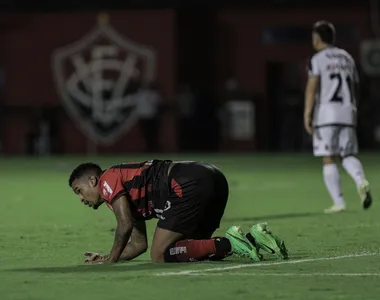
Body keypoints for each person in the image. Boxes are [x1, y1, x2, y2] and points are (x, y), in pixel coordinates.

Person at [68, 159, 288, 263]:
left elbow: (124, 226)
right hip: (212, 176)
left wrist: (110, 262)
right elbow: (138, 244)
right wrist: (107, 256)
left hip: (186, 182)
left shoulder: (108, 181)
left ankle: (230, 242)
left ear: (93, 180)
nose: (80, 199)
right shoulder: (123, 193)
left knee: (160, 255)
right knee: (191, 252)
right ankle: (253, 238)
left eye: (79, 190)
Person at [304, 20, 373, 213]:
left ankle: (339, 202)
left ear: (317, 39)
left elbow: (312, 87)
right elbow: (356, 88)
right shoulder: (347, 58)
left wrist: (307, 113)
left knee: (328, 157)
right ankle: (361, 181)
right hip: (348, 112)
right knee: (347, 155)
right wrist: (353, 108)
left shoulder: (318, 59)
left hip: (326, 115)